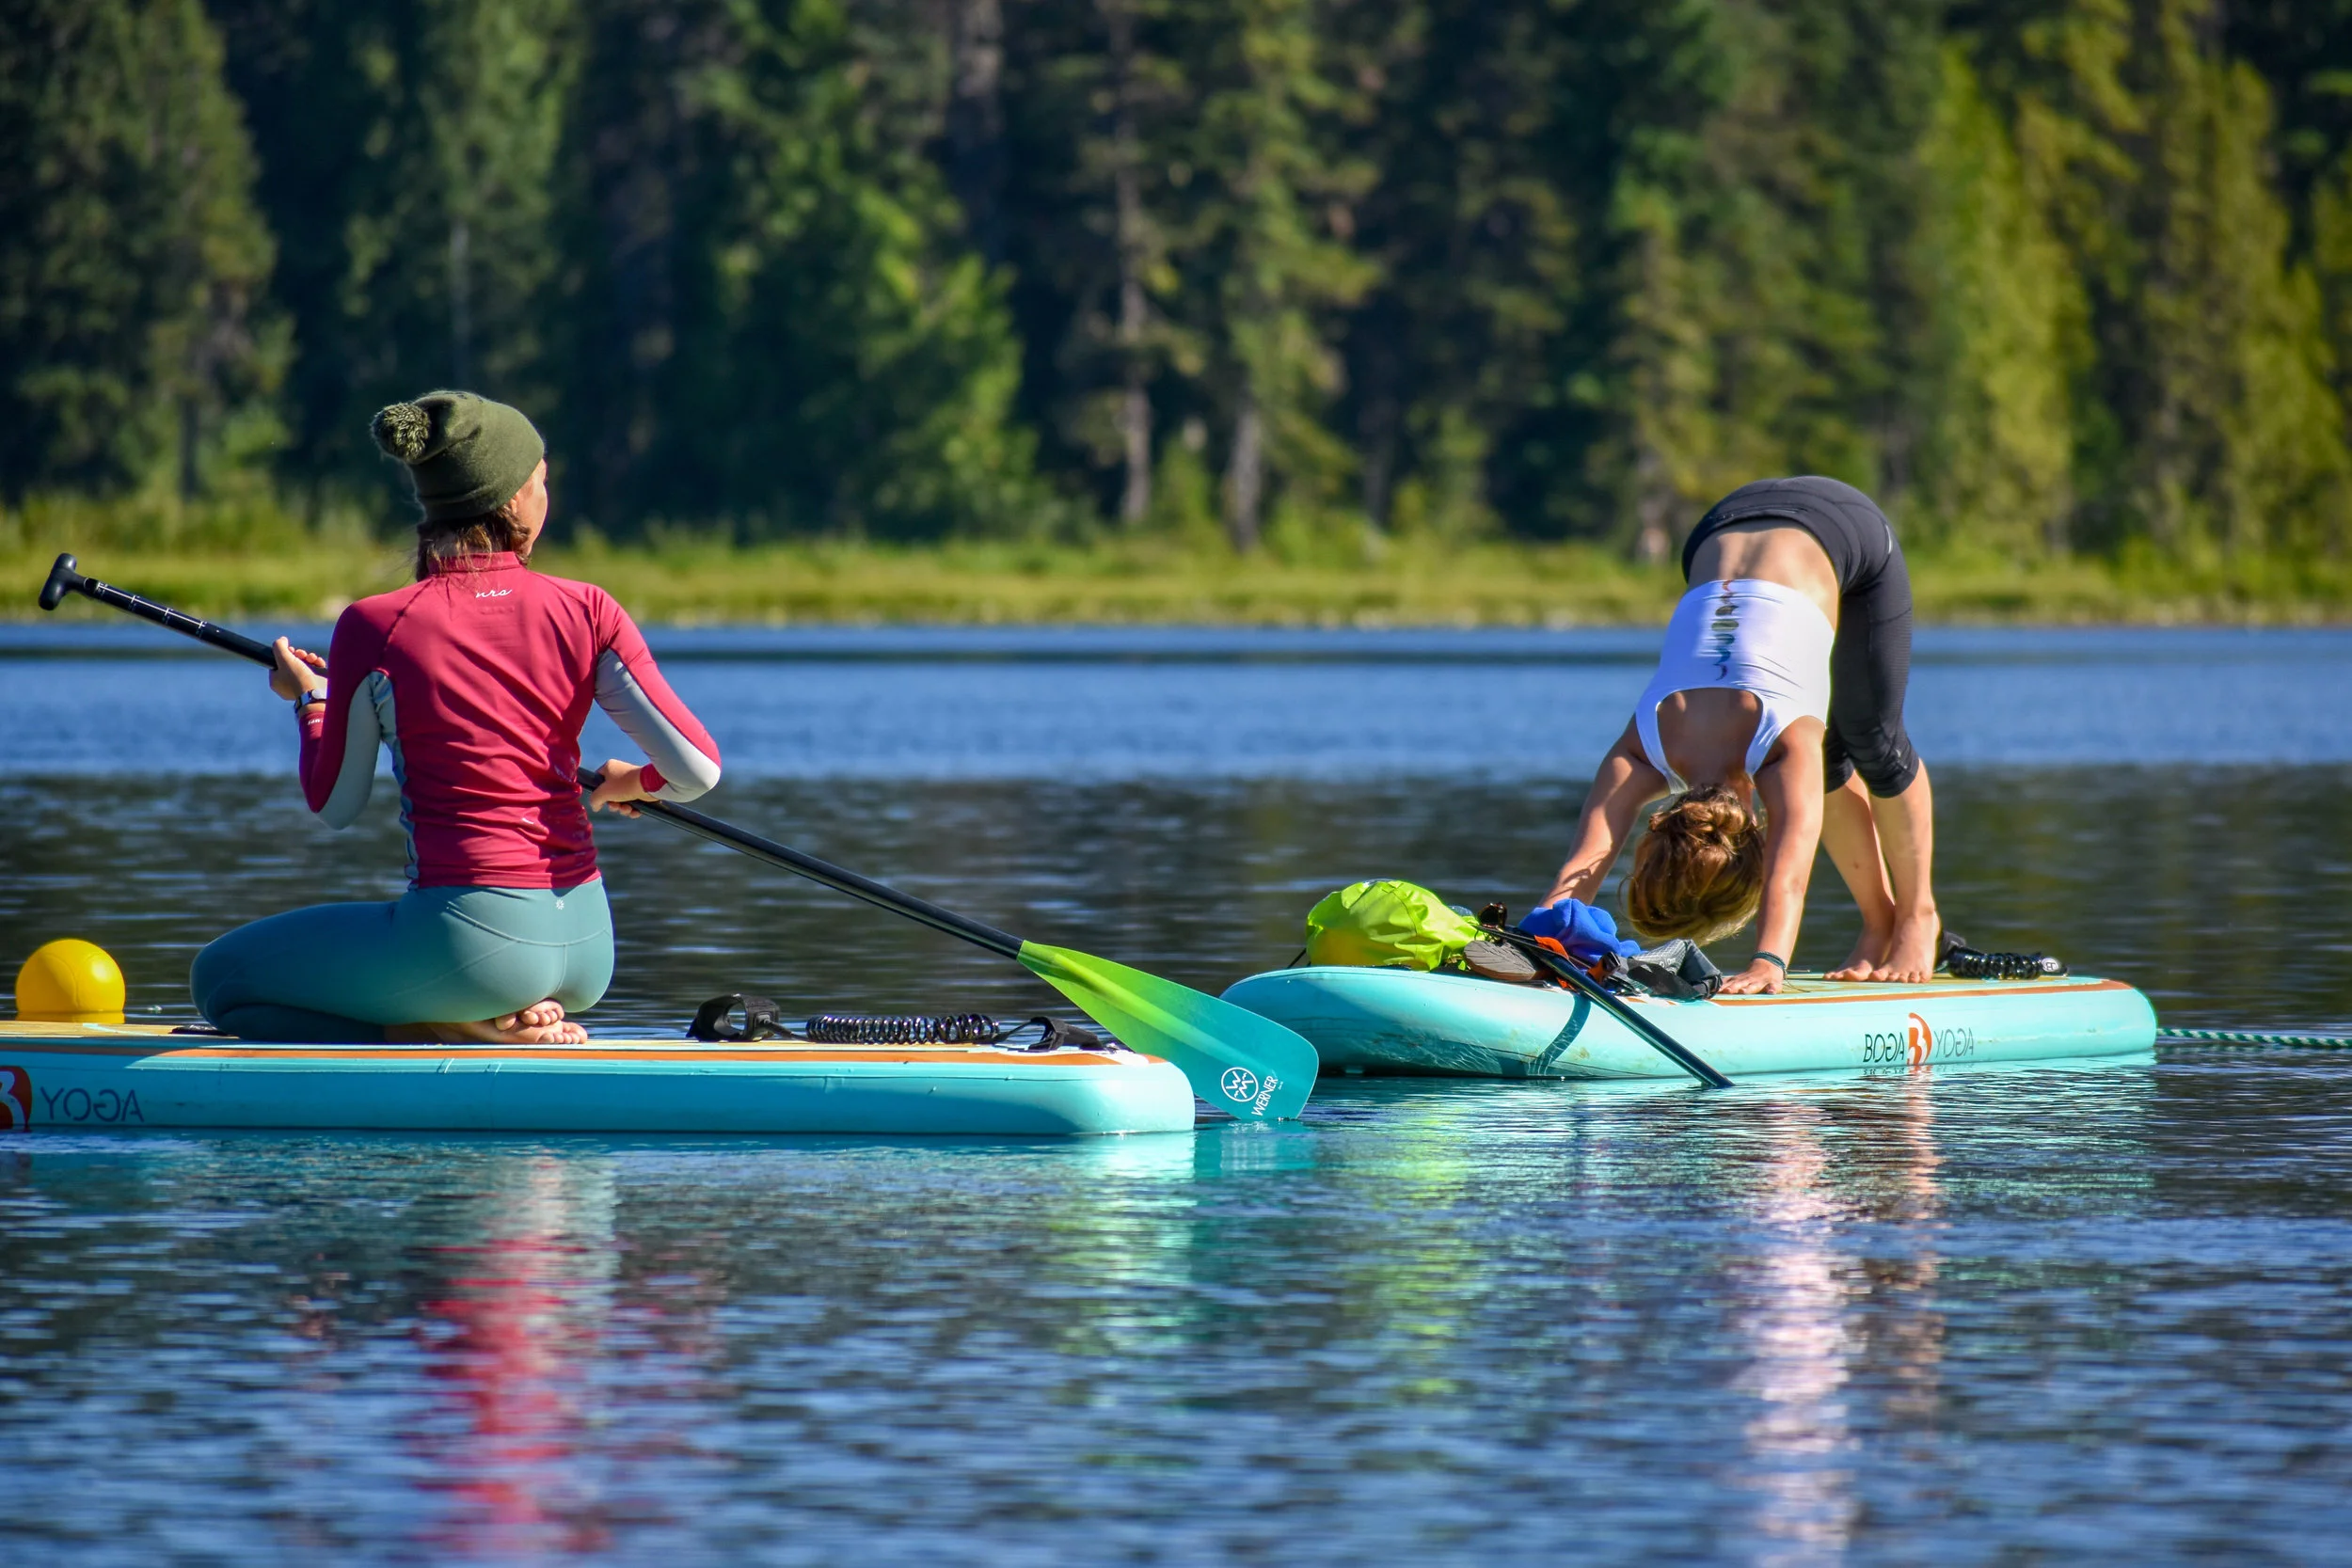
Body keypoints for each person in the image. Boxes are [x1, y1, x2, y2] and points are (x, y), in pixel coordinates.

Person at [190, 391, 722, 1043]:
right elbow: (696, 769)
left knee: (218, 981)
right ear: (513, 501)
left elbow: (336, 803)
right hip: (587, 945)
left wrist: (312, 702)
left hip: (472, 947)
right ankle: (489, 1018)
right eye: (543, 482)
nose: (546, 497)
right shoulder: (590, 610)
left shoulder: (375, 625)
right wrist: (635, 782)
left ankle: (453, 1027)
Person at [1536, 476, 1935, 996]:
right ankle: (1878, 921)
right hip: (1717, 528)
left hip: (1839, 524)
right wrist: (1537, 942)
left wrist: (1770, 964)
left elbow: (1789, 877)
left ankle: (1917, 916)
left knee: (1873, 740)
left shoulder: (1773, 745)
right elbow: (1578, 873)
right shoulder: (1647, 739)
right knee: (1827, 761)